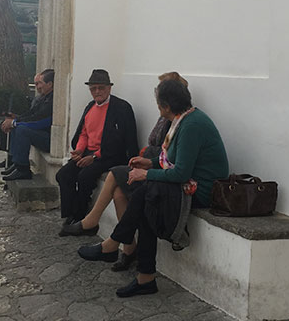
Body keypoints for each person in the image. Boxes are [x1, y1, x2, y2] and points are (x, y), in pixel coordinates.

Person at [78, 78, 229, 297]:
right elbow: (173, 161)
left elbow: (181, 173)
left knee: (145, 193)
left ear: (166, 106)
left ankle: (114, 245)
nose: (157, 108)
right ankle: (143, 277)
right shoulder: (182, 120)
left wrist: (147, 173)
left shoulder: (192, 125)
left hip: (199, 191)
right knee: (137, 192)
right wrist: (149, 163)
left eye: (159, 104)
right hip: (185, 183)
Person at [59, 72, 188, 271]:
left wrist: (146, 170)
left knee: (117, 180)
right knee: (114, 189)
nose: (97, 92)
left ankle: (97, 228)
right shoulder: (172, 120)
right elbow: (165, 155)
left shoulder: (184, 123)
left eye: (160, 97)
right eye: (93, 88)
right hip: (153, 166)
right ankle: (129, 251)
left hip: (163, 179)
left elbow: (176, 167)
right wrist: (147, 162)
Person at [55, 69, 138, 224]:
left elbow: (118, 142)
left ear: (109, 88)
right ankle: (70, 214)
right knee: (63, 175)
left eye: (101, 87)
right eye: (93, 88)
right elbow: (84, 133)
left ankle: (81, 217)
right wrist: (79, 150)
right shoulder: (90, 107)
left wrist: (94, 157)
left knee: (84, 176)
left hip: (110, 155)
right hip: (88, 153)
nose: (97, 91)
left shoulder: (121, 108)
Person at [0, 69, 54, 181]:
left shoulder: (52, 100)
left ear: (49, 84)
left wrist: (15, 123)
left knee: (21, 129)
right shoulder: (44, 98)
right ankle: (16, 163)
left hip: (49, 138)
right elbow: (31, 114)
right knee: (16, 126)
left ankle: (23, 169)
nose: (38, 86)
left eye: (40, 83)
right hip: (42, 133)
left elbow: (40, 120)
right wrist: (15, 120)